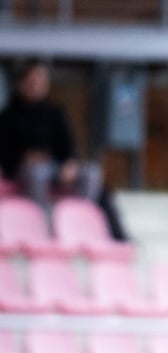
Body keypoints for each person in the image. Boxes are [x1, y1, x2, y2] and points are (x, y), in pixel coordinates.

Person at [0, 59, 130, 241]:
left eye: (41, 81)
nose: (37, 85)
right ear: (22, 83)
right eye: (32, 80)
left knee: (92, 172)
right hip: (27, 168)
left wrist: (69, 163)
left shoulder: (55, 112)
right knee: (37, 173)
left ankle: (79, 221)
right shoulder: (8, 116)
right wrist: (24, 158)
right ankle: (41, 224)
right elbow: (6, 153)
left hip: (54, 165)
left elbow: (68, 144)